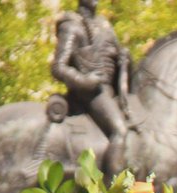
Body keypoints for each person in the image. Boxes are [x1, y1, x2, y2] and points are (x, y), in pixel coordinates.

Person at [51, 0, 131, 178]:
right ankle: (114, 192)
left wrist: (124, 61)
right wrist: (85, 80)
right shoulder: (72, 26)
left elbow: (113, 60)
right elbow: (58, 67)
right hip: (91, 93)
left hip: (111, 90)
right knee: (120, 130)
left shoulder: (104, 24)